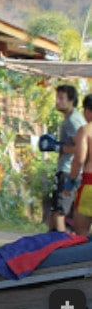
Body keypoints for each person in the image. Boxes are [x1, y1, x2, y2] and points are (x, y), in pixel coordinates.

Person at [38, 85, 85, 232]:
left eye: (61, 98)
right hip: (67, 170)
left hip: (69, 171)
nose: (57, 101)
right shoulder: (72, 118)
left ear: (71, 100)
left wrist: (57, 147)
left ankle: (62, 249)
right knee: (54, 214)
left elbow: (80, 148)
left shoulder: (72, 121)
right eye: (57, 98)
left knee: (59, 213)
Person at [66, 94, 92, 236]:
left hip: (90, 184)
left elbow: (79, 160)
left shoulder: (86, 130)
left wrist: (69, 184)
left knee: (82, 232)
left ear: (87, 111)